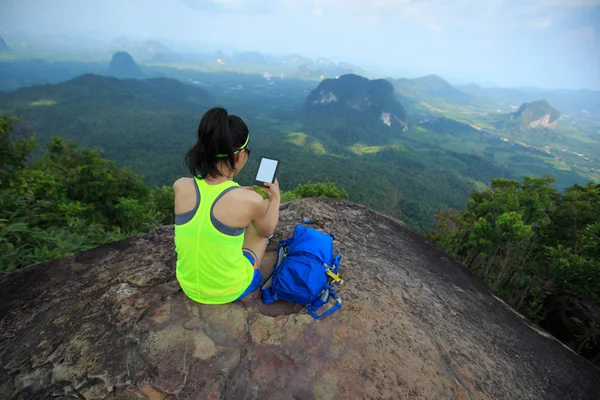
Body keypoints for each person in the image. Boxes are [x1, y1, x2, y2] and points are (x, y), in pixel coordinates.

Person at [173, 107, 280, 304]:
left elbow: (210, 198)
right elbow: (266, 231)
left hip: (187, 285)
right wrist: (275, 199)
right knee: (259, 233)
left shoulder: (180, 186)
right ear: (240, 156)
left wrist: (237, 194)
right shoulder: (250, 201)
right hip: (229, 291)